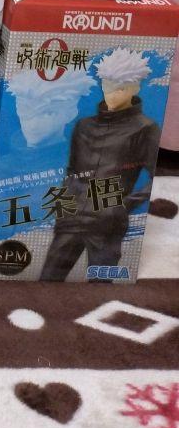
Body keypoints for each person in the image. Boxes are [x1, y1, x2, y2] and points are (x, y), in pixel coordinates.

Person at [40, 48, 160, 280]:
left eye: (120, 89)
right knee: (47, 280)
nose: (111, 95)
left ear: (135, 88)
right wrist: (64, 207)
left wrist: (121, 205)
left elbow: (155, 178)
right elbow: (72, 171)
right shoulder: (84, 126)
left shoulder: (145, 128)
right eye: (107, 86)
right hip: (71, 218)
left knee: (100, 286)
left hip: (108, 223)